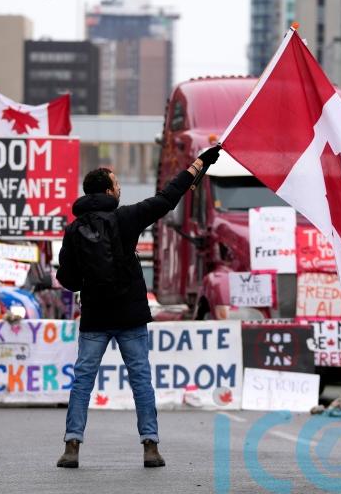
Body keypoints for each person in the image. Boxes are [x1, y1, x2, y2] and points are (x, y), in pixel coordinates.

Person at [55, 145, 222, 468]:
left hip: (94, 318)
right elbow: (167, 198)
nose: (119, 189)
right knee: (141, 379)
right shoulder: (127, 218)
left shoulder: (73, 230)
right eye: (117, 184)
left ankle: (72, 445)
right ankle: (150, 446)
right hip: (130, 315)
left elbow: (68, 279)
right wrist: (199, 165)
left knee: (83, 380)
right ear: (108, 191)